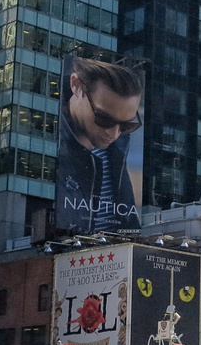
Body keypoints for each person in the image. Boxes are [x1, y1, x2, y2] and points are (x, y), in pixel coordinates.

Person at [55, 56, 144, 231]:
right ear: (76, 86)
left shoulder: (119, 147)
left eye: (127, 124)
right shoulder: (52, 144)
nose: (114, 134)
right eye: (104, 119)